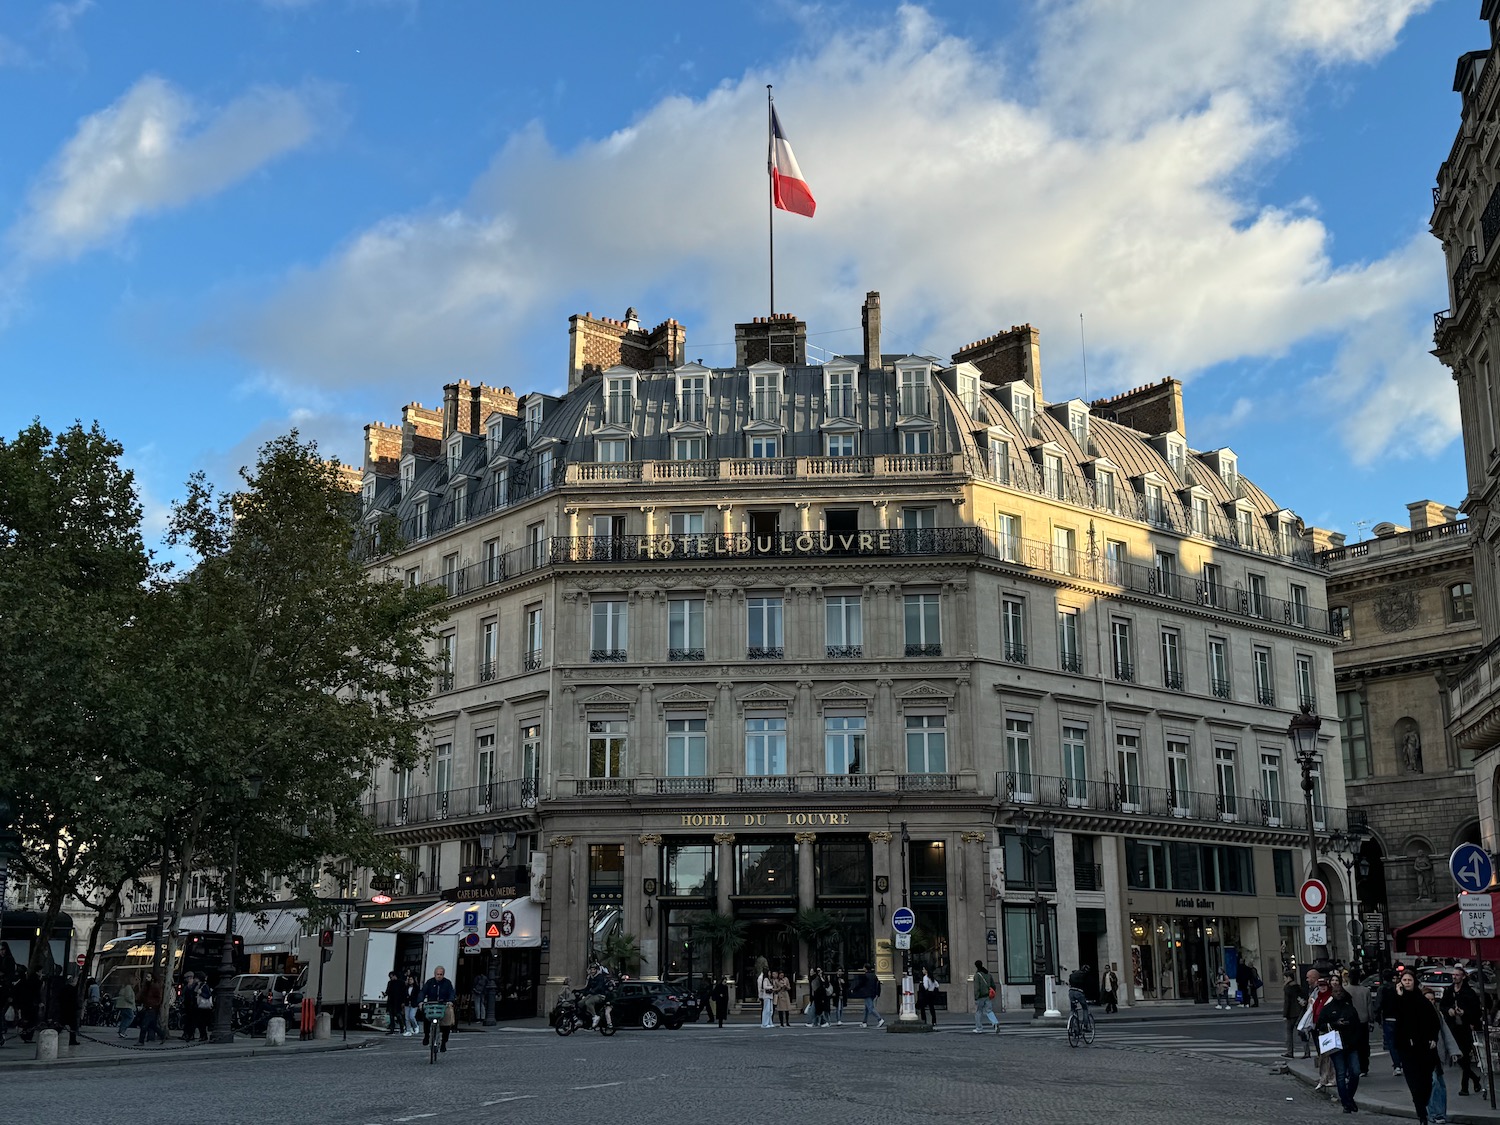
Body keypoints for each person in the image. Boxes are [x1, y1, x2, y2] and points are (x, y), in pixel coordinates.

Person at [1394, 967, 1441, 1125]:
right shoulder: (1398, 1000)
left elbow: (1434, 1021)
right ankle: (1422, 1115)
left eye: (1409, 980)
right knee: (1414, 1083)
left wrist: (1433, 1038)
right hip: (1406, 1048)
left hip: (1424, 1046)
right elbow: (1398, 1018)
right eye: (1404, 980)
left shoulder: (1422, 1001)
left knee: (1426, 1082)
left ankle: (1423, 1103)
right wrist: (1400, 997)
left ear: (1414, 982)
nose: (1407, 983)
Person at [1315, 976, 1364, 1113]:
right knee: (1341, 1074)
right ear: (1332, 993)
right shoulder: (1328, 1009)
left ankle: (1348, 1097)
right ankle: (1346, 1102)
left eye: (1340, 992)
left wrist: (1356, 1040)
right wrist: (1335, 1024)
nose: (1338, 994)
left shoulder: (1350, 1009)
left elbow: (1357, 1026)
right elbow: (1320, 1025)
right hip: (1336, 1045)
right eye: (1336, 992)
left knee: (1355, 1072)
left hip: (1351, 1044)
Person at [1441, 969, 1485, 1097]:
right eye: (1453, 975)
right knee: (1458, 1057)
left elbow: (1476, 1012)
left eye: (1457, 975)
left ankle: (1464, 1087)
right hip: (1452, 1028)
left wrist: (1464, 1013)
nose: (1454, 977)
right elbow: (1443, 1005)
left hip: (1465, 1028)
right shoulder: (1449, 991)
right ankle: (1475, 1078)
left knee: (1464, 1056)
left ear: (1463, 977)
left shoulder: (1469, 992)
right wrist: (1448, 1010)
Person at [1424, 986, 1460, 1125]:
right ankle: (1434, 1113)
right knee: (1433, 1083)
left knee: (1440, 1084)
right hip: (1425, 1054)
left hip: (1437, 1054)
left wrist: (1453, 1051)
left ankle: (1439, 1113)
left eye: (1433, 1000)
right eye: (1428, 1000)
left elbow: (1445, 1033)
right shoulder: (1417, 1014)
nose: (1431, 1002)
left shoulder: (1437, 1014)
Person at [419, 965, 456, 1052]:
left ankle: (443, 1043)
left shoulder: (447, 983)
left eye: (441, 974)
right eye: (437, 974)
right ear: (434, 974)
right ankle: (426, 1036)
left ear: (443, 975)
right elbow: (423, 992)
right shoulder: (429, 982)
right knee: (426, 1019)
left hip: (443, 1005)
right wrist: (420, 1001)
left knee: (446, 1024)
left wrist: (450, 1001)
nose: (439, 976)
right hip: (431, 1004)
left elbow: (451, 992)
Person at [1343, 970, 1372, 1078]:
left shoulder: (1345, 990)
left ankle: (1354, 1066)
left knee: (1352, 1046)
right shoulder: (1365, 991)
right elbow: (1369, 1007)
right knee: (1364, 1045)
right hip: (1363, 1020)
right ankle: (1364, 1067)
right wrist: (1371, 1020)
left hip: (1350, 1022)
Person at [1378, 969, 1403, 1074]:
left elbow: (1378, 1004)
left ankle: (1397, 1065)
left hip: (1388, 1018)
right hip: (1399, 1018)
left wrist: (1378, 1018)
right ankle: (1401, 1062)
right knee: (1401, 1042)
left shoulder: (1382, 989)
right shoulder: (1397, 988)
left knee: (1392, 1044)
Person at [179, 971, 212, 1043]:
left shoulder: (204, 985)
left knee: (201, 1023)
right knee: (196, 1022)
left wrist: (201, 993)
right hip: (196, 1006)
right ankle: (193, 1035)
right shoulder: (197, 985)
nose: (194, 979)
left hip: (202, 1007)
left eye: (195, 978)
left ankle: (203, 1036)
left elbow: (208, 995)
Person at [1282, 969, 1306, 1058]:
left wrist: (1285, 1014)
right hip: (1299, 1011)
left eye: (1284, 977)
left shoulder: (1287, 987)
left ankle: (1290, 1052)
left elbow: (1287, 1002)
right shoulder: (1297, 986)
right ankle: (1306, 1052)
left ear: (1288, 978)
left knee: (1289, 1033)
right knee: (1302, 1032)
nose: (1284, 980)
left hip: (1291, 1013)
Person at [581, 963, 613, 1029]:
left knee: (588, 1002)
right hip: (592, 994)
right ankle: (581, 1018)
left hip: (600, 995)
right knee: (580, 1003)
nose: (592, 971)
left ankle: (595, 1016)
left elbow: (599, 986)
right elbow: (588, 987)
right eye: (591, 969)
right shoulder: (590, 977)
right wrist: (582, 992)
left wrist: (593, 991)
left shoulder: (600, 977)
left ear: (597, 970)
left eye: (594, 969)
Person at [972, 960, 1000, 1034]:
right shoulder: (988, 974)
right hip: (987, 995)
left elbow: (976, 988)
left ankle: (979, 1027)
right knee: (989, 1011)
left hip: (980, 996)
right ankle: (995, 1022)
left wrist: (976, 996)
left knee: (978, 1012)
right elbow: (993, 985)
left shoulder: (977, 975)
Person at [136, 974, 165, 1044]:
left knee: (144, 1024)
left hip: (151, 1008)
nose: (146, 978)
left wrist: (154, 1005)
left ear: (152, 978)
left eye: (148, 977)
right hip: (147, 1007)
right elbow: (142, 995)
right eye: (146, 977)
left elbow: (159, 998)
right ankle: (162, 1035)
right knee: (151, 1025)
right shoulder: (146, 986)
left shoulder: (155, 986)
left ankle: (141, 1041)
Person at [404, 970, 420, 1035]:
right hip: (407, 1003)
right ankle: (408, 1030)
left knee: (412, 1016)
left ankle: (415, 1026)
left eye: (411, 979)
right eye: (409, 979)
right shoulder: (406, 987)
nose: (410, 981)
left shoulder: (416, 988)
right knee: (407, 1017)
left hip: (414, 1004)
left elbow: (417, 996)